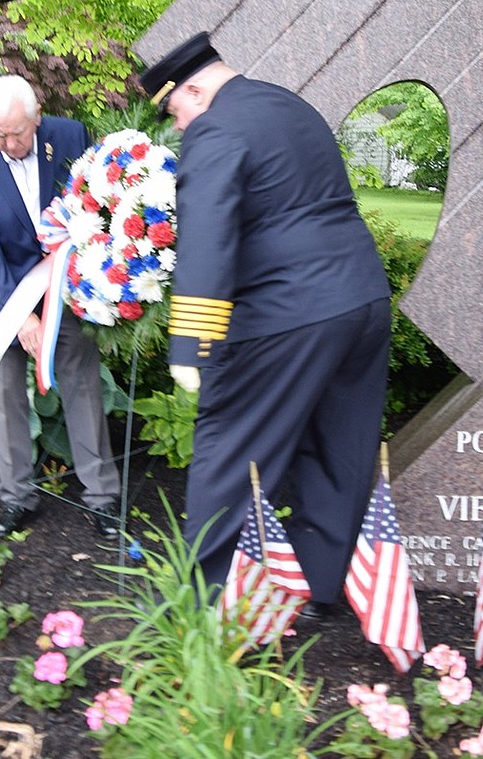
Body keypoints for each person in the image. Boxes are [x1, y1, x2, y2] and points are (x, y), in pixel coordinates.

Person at [140, 32, 392, 619]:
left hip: (286, 314)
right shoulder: (288, 104)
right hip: (361, 300)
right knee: (338, 448)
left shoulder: (216, 128)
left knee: (232, 451)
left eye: (176, 112)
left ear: (195, 90)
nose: (179, 128)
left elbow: (209, 231)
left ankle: (204, 607)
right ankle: (316, 585)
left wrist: (193, 339)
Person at [0, 75, 122, 538]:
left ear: (37, 116)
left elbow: (96, 209)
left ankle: (103, 499)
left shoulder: (70, 137)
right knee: (5, 397)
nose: (8, 143)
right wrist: (19, 316)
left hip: (65, 290)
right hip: (3, 298)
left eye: (17, 133)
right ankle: (16, 500)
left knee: (82, 385)